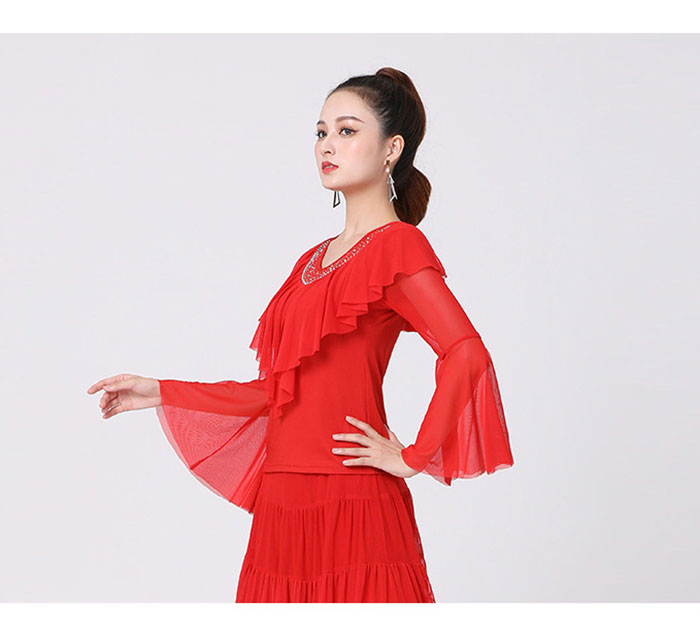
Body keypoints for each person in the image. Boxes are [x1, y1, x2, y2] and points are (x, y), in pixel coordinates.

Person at [87, 67, 515, 603]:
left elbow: (466, 352)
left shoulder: (397, 246)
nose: (327, 145)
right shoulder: (310, 262)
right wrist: (161, 390)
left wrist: (412, 456)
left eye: (347, 130)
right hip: (282, 503)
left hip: (353, 497)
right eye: (320, 132)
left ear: (392, 149)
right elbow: (277, 392)